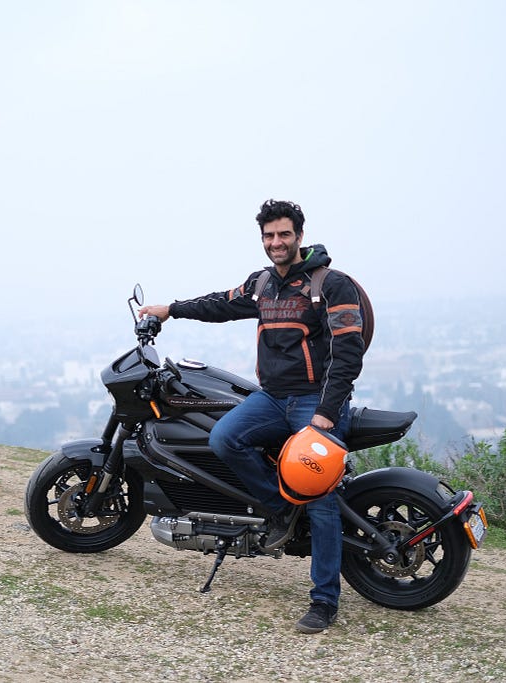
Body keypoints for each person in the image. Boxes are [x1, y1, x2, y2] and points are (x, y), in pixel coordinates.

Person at [138, 199, 365, 634]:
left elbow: (347, 353)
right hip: (273, 398)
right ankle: (280, 508)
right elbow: (220, 305)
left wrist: (325, 414)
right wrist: (171, 308)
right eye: (269, 236)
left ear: (299, 235)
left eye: (283, 234)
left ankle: (324, 602)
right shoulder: (262, 284)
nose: (276, 243)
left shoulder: (331, 285)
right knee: (225, 439)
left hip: (315, 403)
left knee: (319, 496)